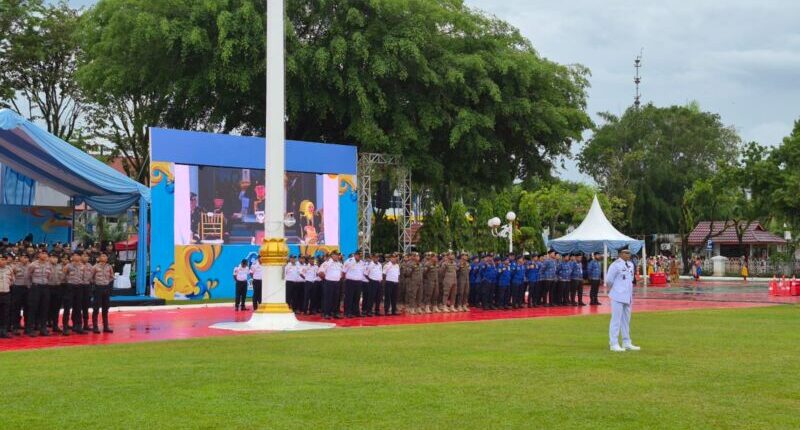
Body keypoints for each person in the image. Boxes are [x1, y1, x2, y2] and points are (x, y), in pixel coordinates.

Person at [606, 248, 640, 352]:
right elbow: (609, 280)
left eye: (629, 253)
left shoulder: (630, 264)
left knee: (626, 321)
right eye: (626, 253)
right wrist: (613, 290)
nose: (628, 255)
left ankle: (626, 342)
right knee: (616, 320)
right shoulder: (615, 265)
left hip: (628, 296)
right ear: (620, 254)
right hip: (617, 295)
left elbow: (630, 279)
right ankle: (613, 343)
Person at [91, 253, 115, 333]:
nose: (104, 257)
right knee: (96, 308)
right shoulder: (95, 267)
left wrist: (107, 283)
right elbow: (91, 277)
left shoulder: (109, 267)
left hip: (106, 288)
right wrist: (96, 283)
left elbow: (112, 276)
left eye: (105, 256)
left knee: (105, 308)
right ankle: (95, 326)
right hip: (98, 288)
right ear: (99, 258)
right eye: (102, 256)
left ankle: (106, 326)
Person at [63, 253, 85, 335]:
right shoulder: (68, 266)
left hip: (79, 287)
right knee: (67, 308)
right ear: (72, 257)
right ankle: (65, 327)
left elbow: (83, 277)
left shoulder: (83, 266)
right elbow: (63, 276)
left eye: (78, 255)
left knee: (78, 307)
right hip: (70, 287)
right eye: (75, 255)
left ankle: (78, 326)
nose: (77, 256)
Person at [318, 251, 343, 319]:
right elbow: (320, 272)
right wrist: (325, 279)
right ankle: (326, 313)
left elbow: (341, 273)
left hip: (337, 283)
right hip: (329, 282)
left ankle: (335, 313)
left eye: (337, 255)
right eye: (335, 255)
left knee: (336, 299)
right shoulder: (327, 263)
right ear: (332, 255)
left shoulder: (339, 264)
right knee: (328, 299)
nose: (337, 256)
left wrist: (339, 278)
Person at [10, 254, 30, 334]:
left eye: (26, 257)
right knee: (16, 308)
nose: (25, 259)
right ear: (20, 258)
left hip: (28, 289)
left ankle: (27, 328)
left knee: (27, 308)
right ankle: (15, 327)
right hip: (17, 288)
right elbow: (12, 275)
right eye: (23, 257)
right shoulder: (15, 266)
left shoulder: (30, 266)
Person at [342, 252, 366, 318]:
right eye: (358, 255)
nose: (359, 257)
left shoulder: (362, 263)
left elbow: (363, 272)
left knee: (357, 298)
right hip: (350, 282)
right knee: (349, 298)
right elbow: (344, 272)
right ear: (355, 255)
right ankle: (347, 312)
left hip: (358, 282)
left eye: (360, 256)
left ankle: (356, 312)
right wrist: (345, 280)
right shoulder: (349, 261)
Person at [0, 256, 15, 338]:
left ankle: (4, 331)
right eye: (1, 259)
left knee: (5, 314)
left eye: (4, 259)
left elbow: (13, 280)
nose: (3, 261)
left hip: (6, 293)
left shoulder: (9, 269)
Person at [80, 253, 94, 330]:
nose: (86, 257)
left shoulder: (90, 266)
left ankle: (85, 324)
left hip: (87, 287)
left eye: (87, 256)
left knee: (86, 306)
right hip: (79, 286)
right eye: (84, 256)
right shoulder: (77, 265)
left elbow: (93, 276)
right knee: (78, 307)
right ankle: (77, 324)